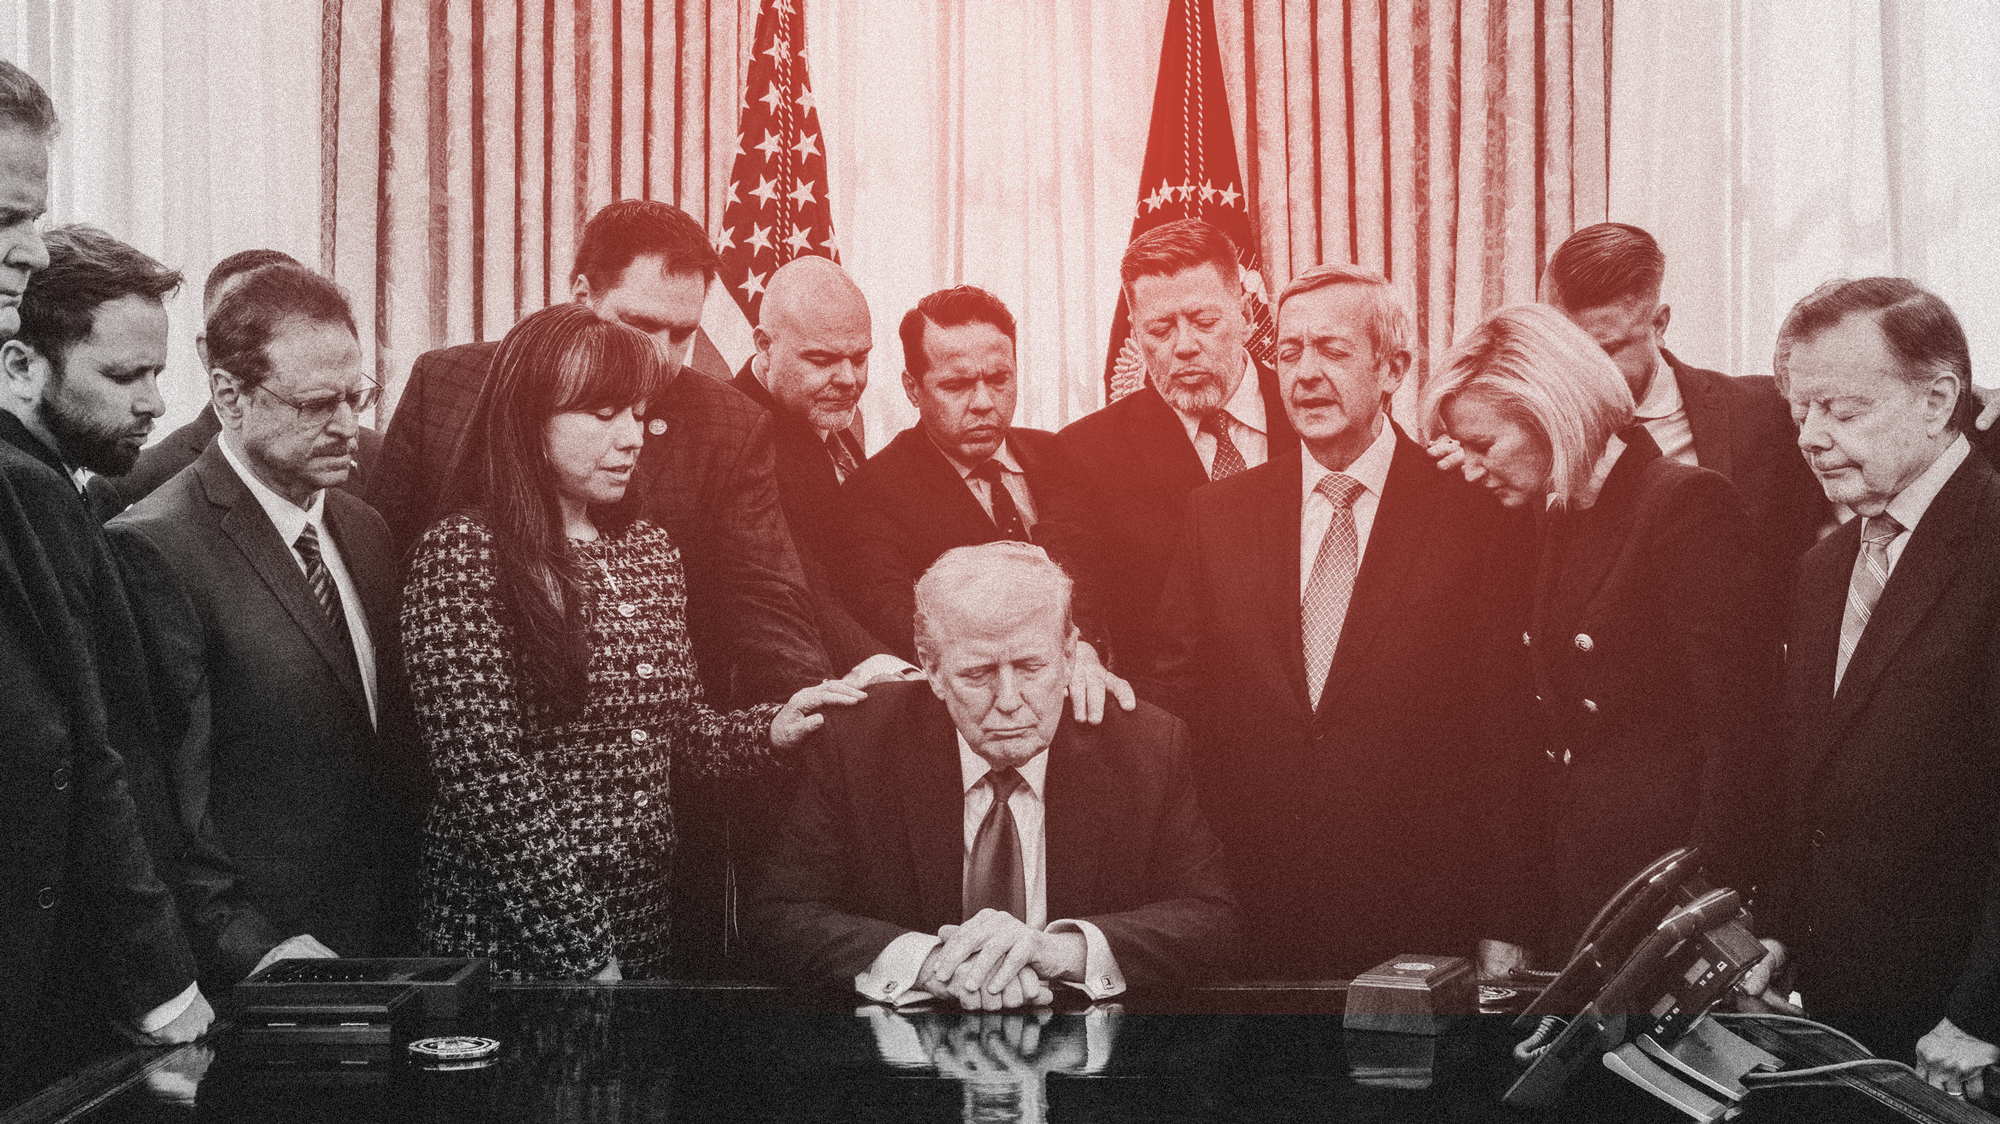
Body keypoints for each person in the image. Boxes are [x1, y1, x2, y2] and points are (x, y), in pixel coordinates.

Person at [401, 302, 862, 979]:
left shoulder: (647, 548)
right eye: (603, 414)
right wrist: (583, 950)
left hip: (643, 922)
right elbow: (486, 780)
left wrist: (772, 728)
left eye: (639, 415)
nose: (632, 438)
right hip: (512, 939)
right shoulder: (464, 552)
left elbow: (676, 737)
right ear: (528, 420)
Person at [1147, 265, 1536, 978]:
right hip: (1252, 919)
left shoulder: (1473, 509)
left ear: (1393, 368)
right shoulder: (1218, 515)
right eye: (1289, 352)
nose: (1305, 374)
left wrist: (1508, 919)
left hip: (1425, 920)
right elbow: (1174, 705)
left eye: (1332, 350)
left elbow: (1509, 730)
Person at [1421, 302, 1783, 959]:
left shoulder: (1686, 504)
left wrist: (1710, 910)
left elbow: (1740, 740)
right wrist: (1515, 914)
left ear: (1550, 411)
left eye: (1484, 445)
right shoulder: (1548, 516)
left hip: (1665, 896)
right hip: (1583, 887)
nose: (1471, 468)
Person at [373, 199, 826, 710]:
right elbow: (377, 570)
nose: (661, 356)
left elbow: (768, 600)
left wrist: (814, 716)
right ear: (583, 296)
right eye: (641, 325)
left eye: (683, 334)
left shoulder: (731, 424)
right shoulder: (446, 383)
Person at [105, 263, 421, 988]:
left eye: (356, 396)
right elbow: (166, 806)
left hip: (384, 941)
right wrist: (249, 948)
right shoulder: (156, 548)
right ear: (229, 396)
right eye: (316, 404)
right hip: (266, 966)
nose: (347, 425)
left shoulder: (364, 528)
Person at [748, 542, 1237, 1008]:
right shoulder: (857, 742)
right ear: (931, 668)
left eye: (1030, 667)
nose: (1008, 700)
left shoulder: (1146, 746)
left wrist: (1055, 951)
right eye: (977, 673)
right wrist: (933, 964)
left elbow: (1211, 921)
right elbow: (780, 916)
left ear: (1070, 655)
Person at [0, 64, 211, 1098]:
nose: (30, 250)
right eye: (6, 219)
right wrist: (160, 976)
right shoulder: (26, 485)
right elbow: (74, 750)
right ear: (25, 368)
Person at [1735, 279, 2000, 1091]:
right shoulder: (1822, 569)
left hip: (1964, 1037)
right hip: (1848, 1014)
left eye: (1842, 412)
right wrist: (1781, 931)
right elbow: (1813, 779)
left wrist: (1984, 1014)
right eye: (1801, 412)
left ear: (1938, 400)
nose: (1812, 438)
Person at [1041, 219, 1297, 676]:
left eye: (1204, 322)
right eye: (1160, 329)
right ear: (1135, 335)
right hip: (1172, 708)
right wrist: (1080, 652)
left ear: (1245, 315)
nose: (1184, 346)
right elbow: (1073, 592)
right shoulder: (1085, 453)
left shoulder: (1315, 416)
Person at [1537, 223, 1828, 608]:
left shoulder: (1769, 413)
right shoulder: (1527, 435)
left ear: (1659, 325)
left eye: (1605, 350)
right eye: (1567, 350)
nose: (1581, 371)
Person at [837, 285, 1095, 663]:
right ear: (912, 389)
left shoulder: (1056, 454)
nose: (983, 403)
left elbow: (1094, 581)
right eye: (956, 385)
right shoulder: (872, 493)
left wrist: (1085, 649)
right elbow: (902, 628)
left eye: (999, 379)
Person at [115, 249, 383, 509]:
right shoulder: (139, 482)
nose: (347, 428)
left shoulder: (378, 463)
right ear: (208, 352)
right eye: (315, 405)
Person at [729, 254, 891, 675]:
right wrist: (895, 672)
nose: (849, 379)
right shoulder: (736, 435)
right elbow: (806, 592)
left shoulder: (820, 410)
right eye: (822, 360)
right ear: (765, 346)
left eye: (860, 358)